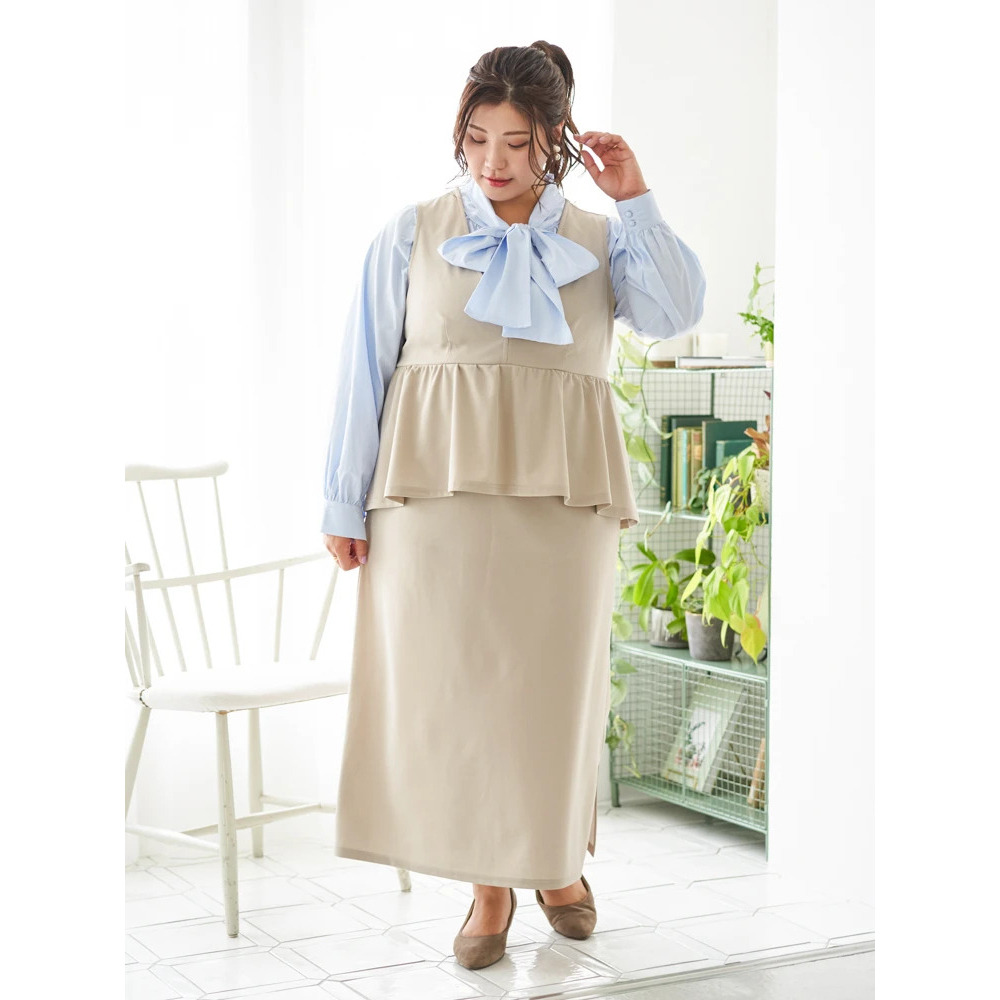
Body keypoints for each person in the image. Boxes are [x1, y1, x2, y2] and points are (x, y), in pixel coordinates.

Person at [320, 41, 706, 970]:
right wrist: (342, 501)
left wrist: (636, 198)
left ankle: (554, 865)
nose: (493, 162)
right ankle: (486, 888)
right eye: (478, 138)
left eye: (518, 143)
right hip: (430, 496)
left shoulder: (603, 239)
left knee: (548, 695)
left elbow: (674, 313)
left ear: (556, 139)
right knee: (452, 696)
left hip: (563, 500)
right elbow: (364, 367)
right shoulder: (412, 231)